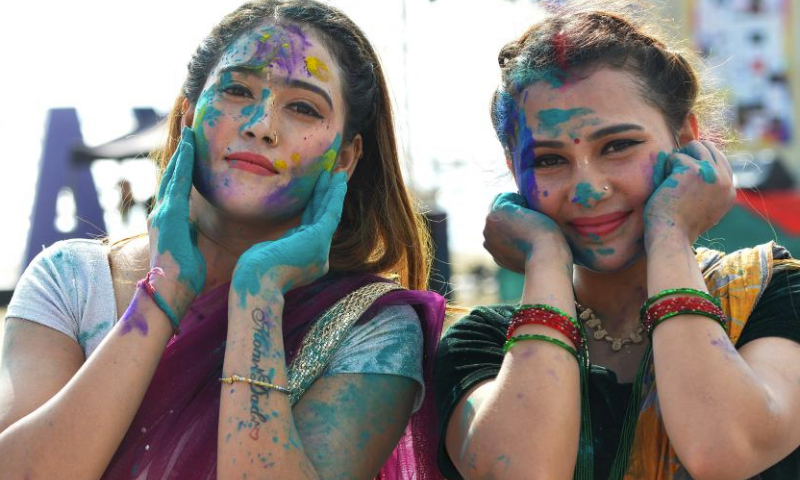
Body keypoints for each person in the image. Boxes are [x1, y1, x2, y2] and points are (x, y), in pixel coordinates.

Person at [0, 1, 446, 479]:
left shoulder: (372, 328)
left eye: (302, 107)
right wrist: (163, 292)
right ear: (189, 114)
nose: (261, 124)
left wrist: (260, 294)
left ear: (345, 158)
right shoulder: (71, 281)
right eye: (236, 90)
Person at [434, 4, 800, 480]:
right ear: (514, 169)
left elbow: (723, 451)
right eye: (548, 160)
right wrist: (545, 261)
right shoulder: (485, 343)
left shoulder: (774, 297)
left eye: (618, 146)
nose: (587, 189)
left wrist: (670, 235)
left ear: (685, 136)